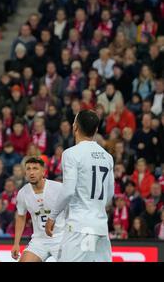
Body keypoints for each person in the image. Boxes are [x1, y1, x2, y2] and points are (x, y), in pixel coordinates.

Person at [45, 110, 115, 262]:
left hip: (80, 227)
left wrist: (52, 216)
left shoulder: (71, 154)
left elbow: (68, 190)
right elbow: (110, 194)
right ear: (96, 130)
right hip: (101, 227)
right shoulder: (107, 157)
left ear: (75, 127)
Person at [12, 157, 64, 262]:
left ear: (43, 172)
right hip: (39, 240)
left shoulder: (58, 188)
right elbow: (21, 217)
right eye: (28, 169)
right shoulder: (23, 193)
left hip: (61, 238)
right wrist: (16, 243)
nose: (31, 172)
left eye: (35, 168)